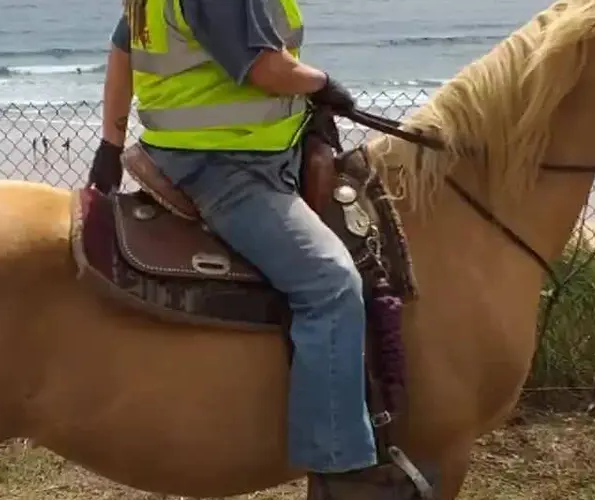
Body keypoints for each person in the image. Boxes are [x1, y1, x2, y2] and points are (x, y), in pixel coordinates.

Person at [93, 0, 419, 497]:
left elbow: (122, 52)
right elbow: (266, 69)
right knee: (330, 283)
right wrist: (322, 83)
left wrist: (110, 143)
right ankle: (342, 470)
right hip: (228, 168)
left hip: (228, 152)